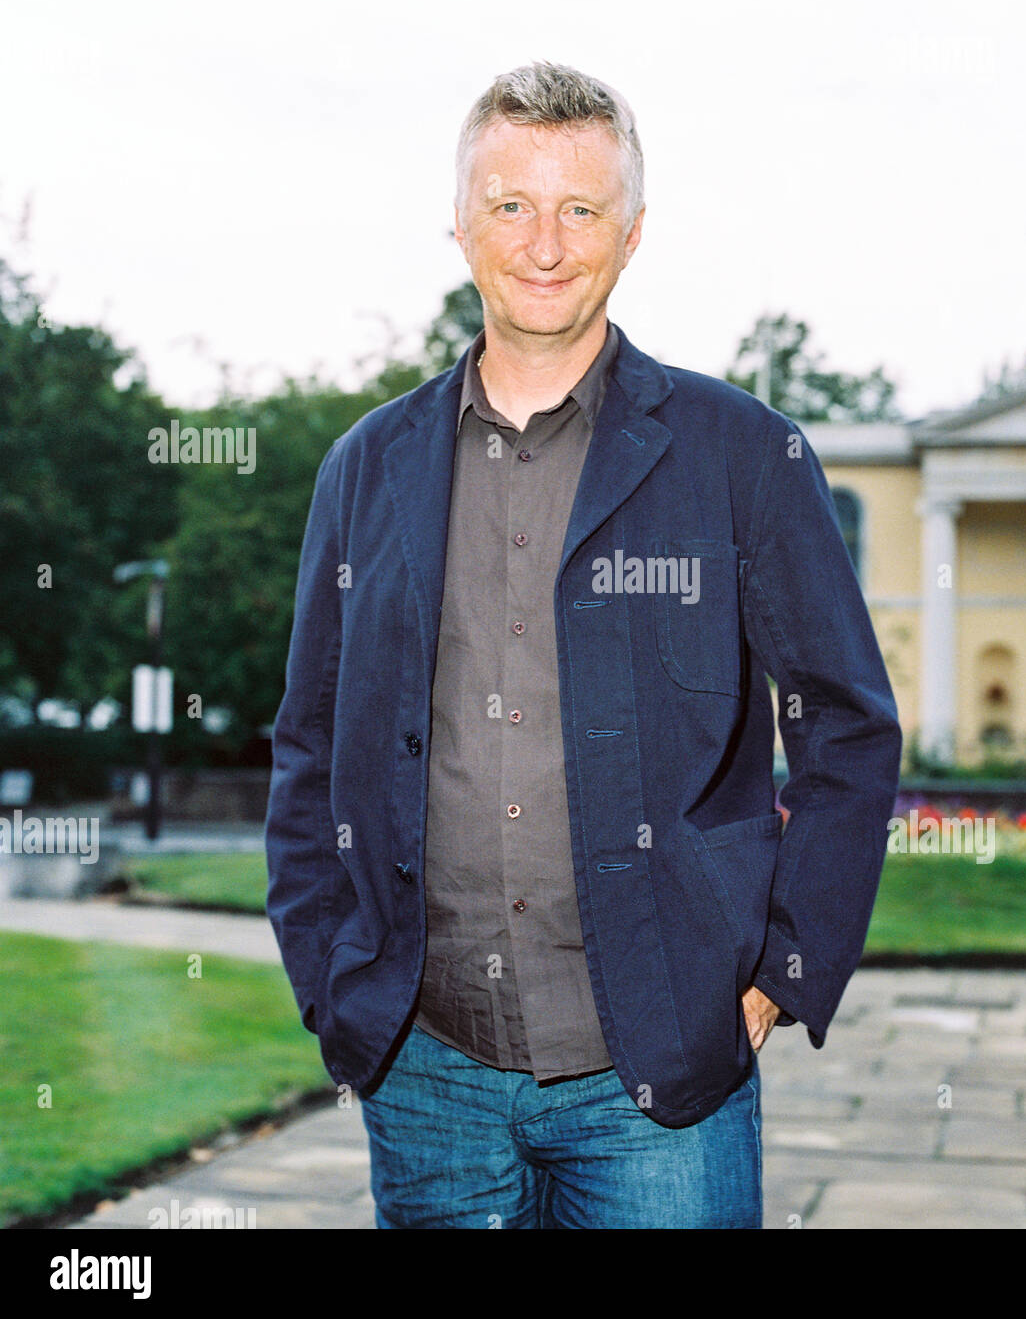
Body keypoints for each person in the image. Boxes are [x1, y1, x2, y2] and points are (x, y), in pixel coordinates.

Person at [265, 60, 902, 1229]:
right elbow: (309, 737)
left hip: (661, 1074)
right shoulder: (364, 468)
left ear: (633, 232)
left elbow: (847, 727)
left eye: (580, 209)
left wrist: (776, 974)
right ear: (460, 225)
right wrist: (329, 974)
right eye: (510, 205)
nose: (544, 243)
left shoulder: (744, 456)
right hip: (426, 1076)